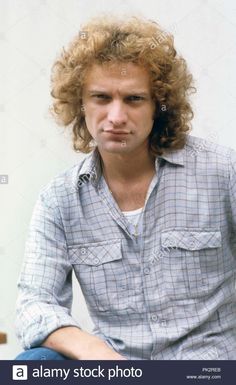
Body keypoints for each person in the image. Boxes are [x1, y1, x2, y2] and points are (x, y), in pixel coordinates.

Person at [15, 15, 236, 360]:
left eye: (133, 99)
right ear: (81, 105)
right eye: (101, 98)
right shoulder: (59, 200)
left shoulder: (223, 173)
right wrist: (93, 350)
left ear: (159, 107)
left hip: (209, 367)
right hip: (116, 368)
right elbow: (34, 305)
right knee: (34, 364)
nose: (116, 116)